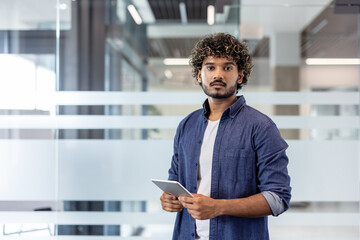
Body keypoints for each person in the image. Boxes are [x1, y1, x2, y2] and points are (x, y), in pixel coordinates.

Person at [160, 33, 291, 240]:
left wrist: (218, 207)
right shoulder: (187, 125)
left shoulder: (261, 127)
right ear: (199, 74)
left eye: (227, 67)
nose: (218, 75)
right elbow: (175, 180)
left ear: (240, 76)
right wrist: (169, 199)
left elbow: (278, 198)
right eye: (210, 67)